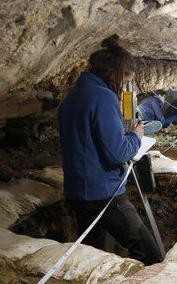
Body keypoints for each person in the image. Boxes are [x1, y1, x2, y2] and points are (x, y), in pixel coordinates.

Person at [57, 35, 162, 265]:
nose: (124, 87)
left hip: (77, 191)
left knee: (94, 257)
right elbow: (118, 152)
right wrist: (135, 136)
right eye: (124, 82)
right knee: (150, 253)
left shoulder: (72, 96)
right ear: (115, 74)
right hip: (103, 194)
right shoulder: (103, 97)